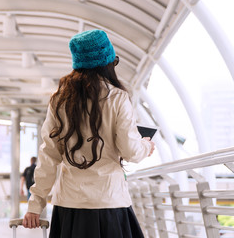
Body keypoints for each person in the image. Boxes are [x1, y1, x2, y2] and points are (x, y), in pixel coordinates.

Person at [22, 29, 155, 238]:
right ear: (108, 63)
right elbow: (131, 152)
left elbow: (48, 156)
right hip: (110, 202)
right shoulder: (118, 98)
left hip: (70, 206)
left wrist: (35, 204)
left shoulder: (59, 100)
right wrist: (146, 145)